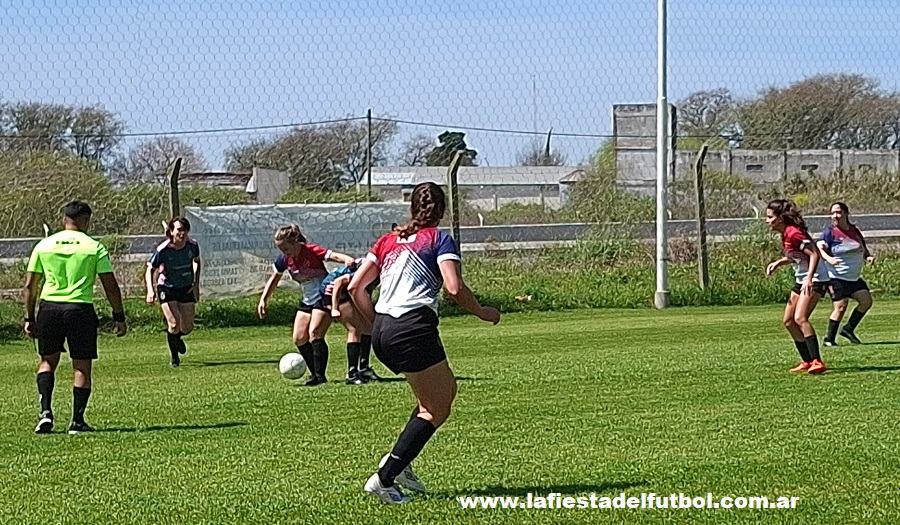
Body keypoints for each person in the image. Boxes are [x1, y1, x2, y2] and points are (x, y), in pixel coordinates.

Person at [348, 182, 501, 504]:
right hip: (412, 328)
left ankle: (401, 462)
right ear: (441, 210)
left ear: (412, 208)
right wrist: (483, 312)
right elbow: (454, 288)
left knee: (439, 396)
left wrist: (376, 325)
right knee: (436, 408)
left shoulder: (387, 241)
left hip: (384, 330)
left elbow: (356, 288)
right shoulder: (438, 239)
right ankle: (384, 478)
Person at [23, 201, 128, 435]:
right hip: (79, 309)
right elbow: (110, 284)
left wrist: (29, 317)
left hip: (49, 308)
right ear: (86, 221)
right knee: (81, 366)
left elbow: (30, 285)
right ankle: (77, 421)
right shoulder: (94, 247)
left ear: (64, 220)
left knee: (47, 361)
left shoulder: (44, 245)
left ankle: (45, 412)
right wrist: (119, 315)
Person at [257, 225, 356, 386]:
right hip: (307, 299)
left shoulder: (310, 250)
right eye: (281, 249)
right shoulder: (285, 259)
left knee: (314, 332)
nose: (284, 252)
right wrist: (263, 299)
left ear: (296, 242)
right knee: (299, 337)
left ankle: (319, 376)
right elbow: (275, 278)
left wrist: (347, 259)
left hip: (323, 295)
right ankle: (314, 373)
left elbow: (332, 255)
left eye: (286, 248)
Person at [764, 199, 828, 374]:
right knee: (788, 321)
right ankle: (807, 361)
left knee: (800, 318)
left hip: (815, 279)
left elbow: (814, 253)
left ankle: (817, 361)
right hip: (802, 279)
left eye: (769, 217)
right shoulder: (785, 234)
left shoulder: (793, 233)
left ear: (780, 218)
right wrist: (779, 262)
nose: (767, 220)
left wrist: (809, 278)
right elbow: (797, 256)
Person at [817, 202, 875, 346]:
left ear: (846, 214)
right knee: (841, 307)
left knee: (866, 301)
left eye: (838, 212)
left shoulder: (854, 231)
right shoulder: (830, 232)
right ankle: (829, 340)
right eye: (832, 213)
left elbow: (862, 247)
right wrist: (829, 259)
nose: (835, 216)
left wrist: (868, 256)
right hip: (836, 277)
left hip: (853, 278)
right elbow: (820, 248)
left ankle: (848, 329)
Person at [146, 217, 201, 367]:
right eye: (179, 230)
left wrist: (196, 283)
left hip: (185, 287)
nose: (182, 233)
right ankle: (174, 358)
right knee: (174, 324)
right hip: (167, 287)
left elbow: (197, 261)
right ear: (171, 231)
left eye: (185, 230)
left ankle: (176, 339)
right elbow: (150, 269)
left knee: (187, 327)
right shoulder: (163, 250)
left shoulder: (192, 246)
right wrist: (150, 290)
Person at [321, 258, 381, 384]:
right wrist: (334, 308)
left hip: (348, 293)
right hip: (335, 294)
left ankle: (364, 368)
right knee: (354, 329)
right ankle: (352, 373)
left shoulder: (379, 272)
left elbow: (366, 288)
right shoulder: (371, 270)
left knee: (368, 327)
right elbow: (339, 282)